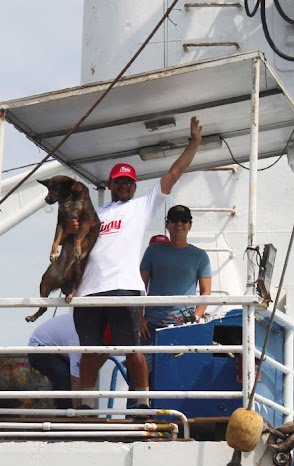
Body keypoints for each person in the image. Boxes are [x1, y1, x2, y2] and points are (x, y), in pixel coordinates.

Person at [72, 116, 203, 410]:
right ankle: (88, 409)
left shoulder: (143, 206)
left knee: (132, 349)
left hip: (124, 289)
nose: (123, 186)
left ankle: (142, 403)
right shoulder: (96, 213)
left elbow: (174, 173)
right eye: (119, 181)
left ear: (134, 185)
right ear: (110, 183)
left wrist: (193, 143)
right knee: (89, 351)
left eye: (128, 182)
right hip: (89, 292)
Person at [139, 204, 212, 352]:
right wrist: (139, 318)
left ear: (190, 225)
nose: (179, 223)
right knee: (143, 373)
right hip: (151, 326)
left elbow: (206, 292)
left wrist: (195, 318)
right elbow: (139, 286)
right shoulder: (153, 251)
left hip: (183, 326)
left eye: (184, 220)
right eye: (174, 219)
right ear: (167, 224)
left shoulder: (200, 256)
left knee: (180, 373)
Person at [27, 313, 82, 410]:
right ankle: (66, 416)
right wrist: (78, 412)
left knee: (72, 374)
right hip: (39, 347)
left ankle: (73, 413)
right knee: (63, 376)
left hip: (60, 347)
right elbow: (75, 379)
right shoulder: (77, 339)